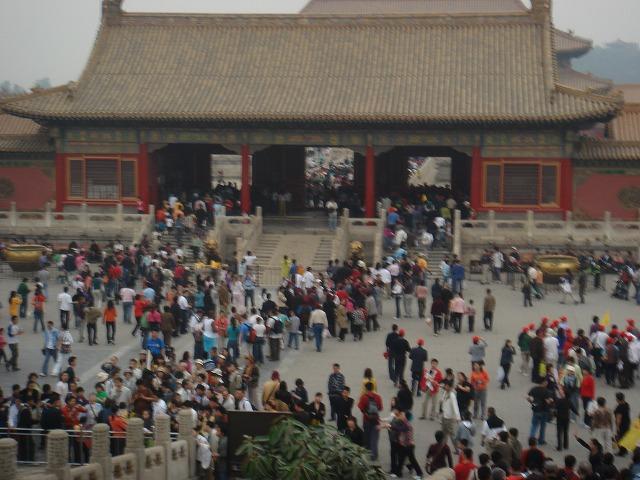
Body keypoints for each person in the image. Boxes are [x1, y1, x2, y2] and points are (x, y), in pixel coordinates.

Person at [358, 382, 382, 461]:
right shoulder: (378, 397)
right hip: (376, 421)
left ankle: (367, 455)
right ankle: (374, 457)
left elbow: (360, 407)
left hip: (366, 420)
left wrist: (366, 413)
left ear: (366, 388)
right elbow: (380, 408)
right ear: (373, 388)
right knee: (374, 439)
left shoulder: (363, 397)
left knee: (367, 438)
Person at [527, 378, 554, 446]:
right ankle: (541, 440)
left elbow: (528, 397)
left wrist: (532, 403)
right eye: (546, 382)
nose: (547, 383)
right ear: (544, 383)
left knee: (534, 425)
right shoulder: (547, 391)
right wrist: (550, 401)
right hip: (544, 410)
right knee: (542, 426)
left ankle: (531, 440)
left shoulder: (534, 389)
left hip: (536, 409)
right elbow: (548, 401)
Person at [440, 380, 461, 449]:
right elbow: (442, 401)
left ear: (450, 387)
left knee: (452, 434)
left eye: (447, 386)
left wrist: (458, 417)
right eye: (445, 386)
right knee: (444, 433)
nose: (446, 387)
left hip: (449, 418)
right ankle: (443, 447)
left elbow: (455, 406)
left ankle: (457, 448)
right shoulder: (445, 393)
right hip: (444, 416)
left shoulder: (452, 395)